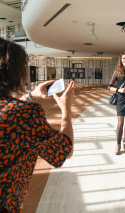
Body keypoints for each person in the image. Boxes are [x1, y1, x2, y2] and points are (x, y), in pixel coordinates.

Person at [0, 37, 74, 212]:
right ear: (18, 73)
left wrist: (29, 96)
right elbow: (63, 152)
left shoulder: (16, 111)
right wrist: (66, 110)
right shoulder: (26, 114)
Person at [107, 51, 125, 155]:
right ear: (121, 60)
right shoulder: (117, 71)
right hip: (121, 99)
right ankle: (118, 144)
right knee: (120, 123)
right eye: (124, 58)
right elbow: (109, 87)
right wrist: (118, 90)